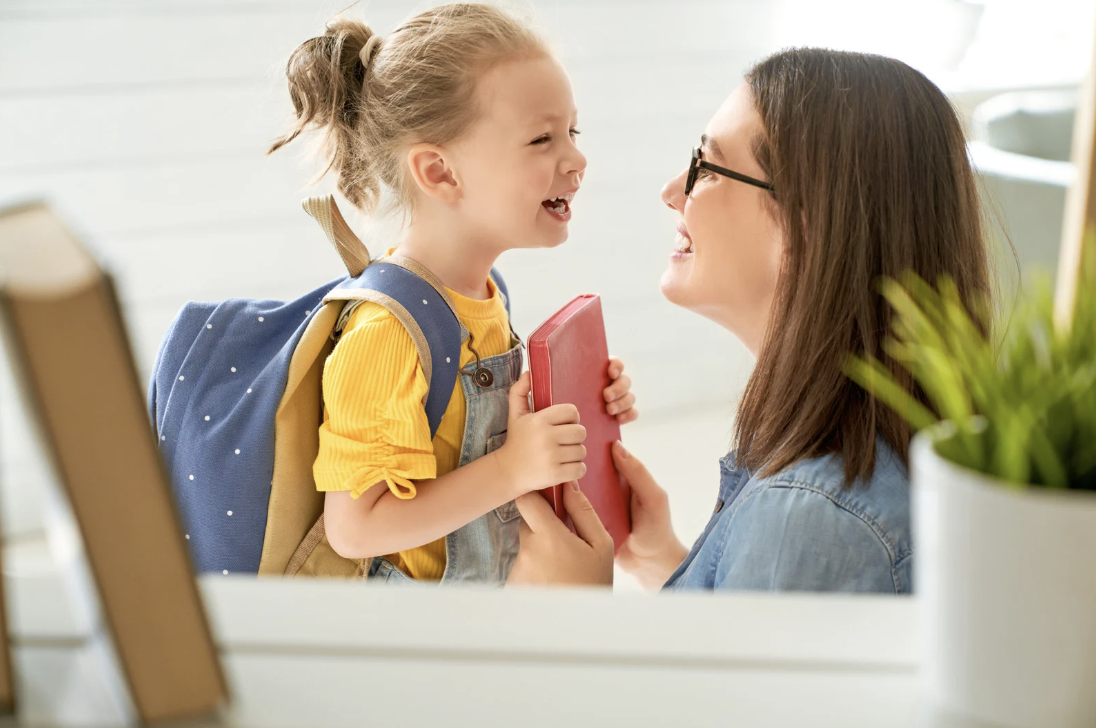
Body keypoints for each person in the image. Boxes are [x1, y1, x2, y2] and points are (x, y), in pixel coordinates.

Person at [507, 48, 991, 593]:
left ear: (805, 230)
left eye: (706, 168)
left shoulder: (808, 520)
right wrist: (660, 558)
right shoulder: (847, 476)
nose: (672, 193)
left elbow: (712, 683)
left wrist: (571, 605)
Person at [269, 4, 638, 583]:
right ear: (440, 172)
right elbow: (356, 527)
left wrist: (576, 404)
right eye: (542, 138)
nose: (577, 158)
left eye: (572, 131)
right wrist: (512, 467)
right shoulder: (385, 334)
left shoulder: (486, 295)